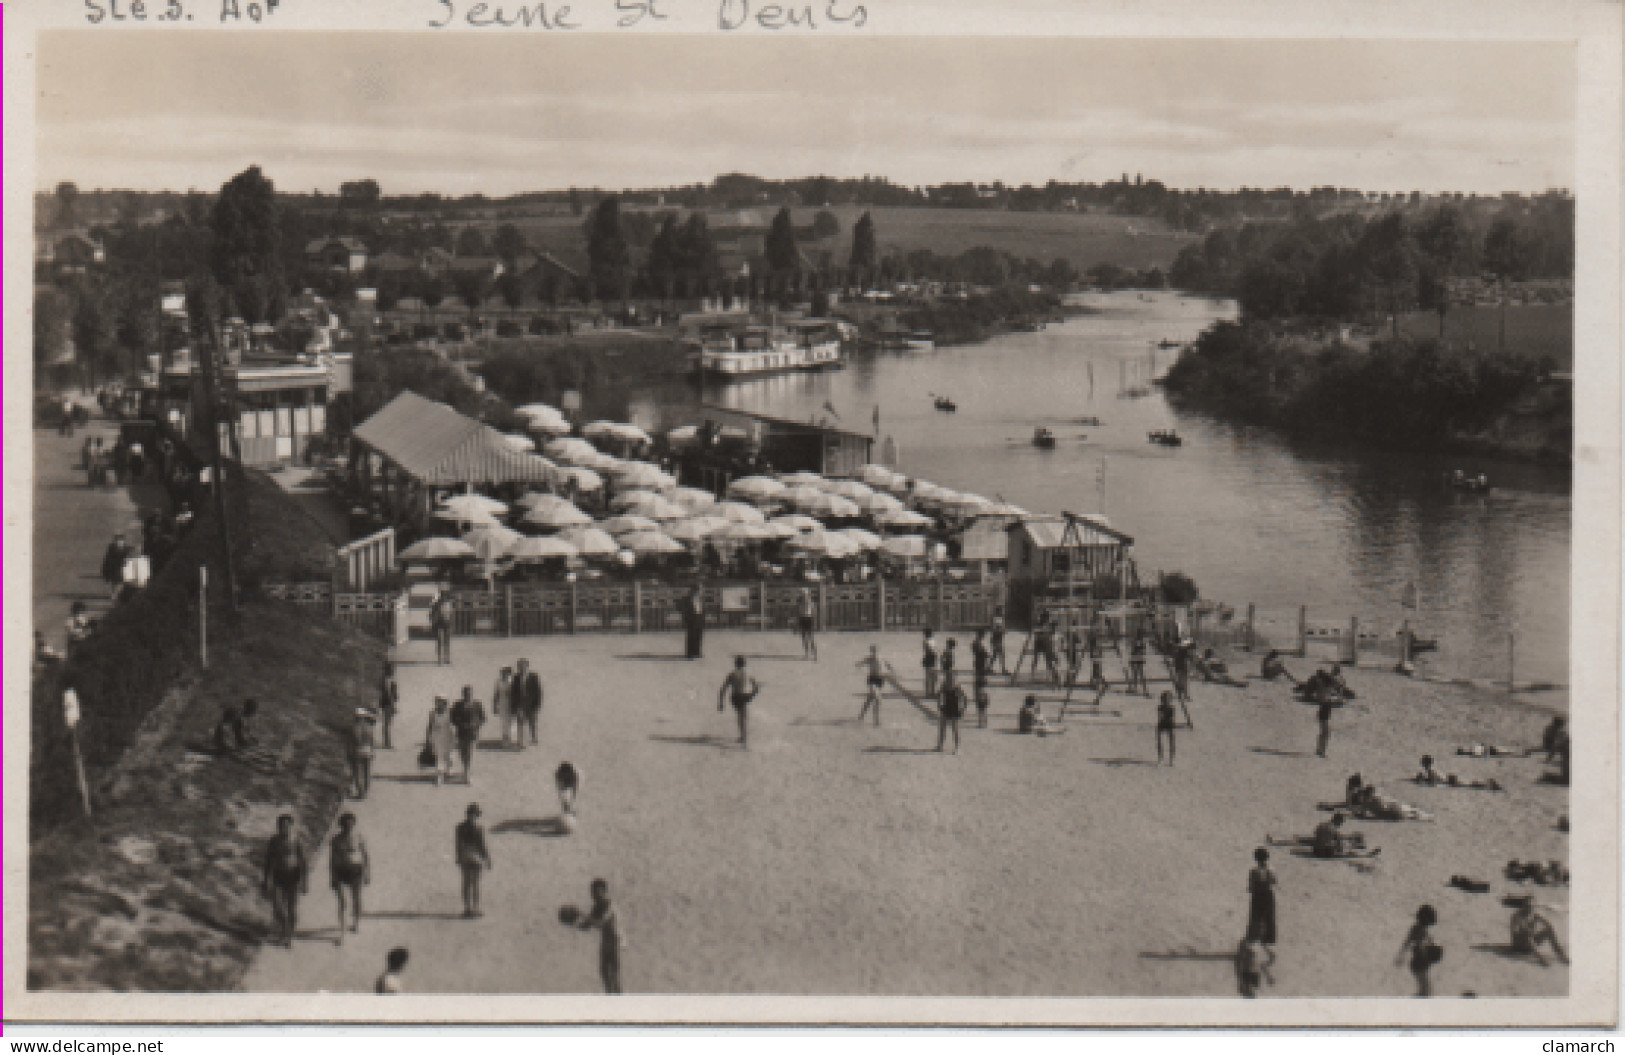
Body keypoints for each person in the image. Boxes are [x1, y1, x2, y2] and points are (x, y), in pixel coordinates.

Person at [262, 814, 308, 947]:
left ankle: (289, 935)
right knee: (277, 907)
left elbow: (304, 862)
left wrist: (305, 882)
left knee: (292, 908)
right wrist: (266, 880)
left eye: (287, 826)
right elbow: (268, 861)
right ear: (278, 827)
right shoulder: (274, 841)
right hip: (278, 876)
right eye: (282, 826)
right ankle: (284, 928)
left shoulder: (297, 840)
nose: (285, 829)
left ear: (292, 826)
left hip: (294, 876)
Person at [576, 878, 625, 994]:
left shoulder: (610, 906)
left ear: (603, 891)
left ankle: (621, 1002)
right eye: (592, 893)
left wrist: (582, 915)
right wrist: (574, 921)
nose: (594, 896)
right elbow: (586, 926)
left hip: (615, 941)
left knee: (613, 974)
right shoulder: (597, 907)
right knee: (604, 973)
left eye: (596, 893)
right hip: (606, 942)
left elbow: (600, 923)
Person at [329, 812, 370, 941]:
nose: (348, 827)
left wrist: (367, 872)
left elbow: (365, 856)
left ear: (354, 824)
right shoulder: (336, 839)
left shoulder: (359, 837)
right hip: (341, 870)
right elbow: (332, 858)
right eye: (345, 825)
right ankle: (342, 928)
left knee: (356, 898)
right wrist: (333, 876)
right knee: (342, 900)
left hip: (356, 870)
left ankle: (356, 923)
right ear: (341, 825)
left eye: (350, 824)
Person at [455, 804, 492, 918]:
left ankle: (469, 908)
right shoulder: (478, 828)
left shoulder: (460, 827)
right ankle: (473, 908)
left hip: (467, 857)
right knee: (473, 883)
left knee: (468, 883)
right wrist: (487, 859)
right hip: (474, 858)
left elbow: (459, 845)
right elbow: (482, 846)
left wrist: (459, 857)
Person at [1396, 905, 1442, 997]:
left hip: (1420, 963)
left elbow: (1409, 943)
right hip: (1419, 963)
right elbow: (1411, 943)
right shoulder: (1418, 930)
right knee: (1426, 990)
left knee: (1426, 989)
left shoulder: (1420, 929)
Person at [1509, 896, 1568, 966]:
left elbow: (1547, 924)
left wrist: (1547, 927)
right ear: (1524, 906)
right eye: (1528, 906)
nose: (1530, 908)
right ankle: (1541, 959)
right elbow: (1515, 932)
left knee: (1548, 930)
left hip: (1530, 943)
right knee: (1527, 935)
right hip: (1519, 945)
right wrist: (1524, 929)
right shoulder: (1517, 916)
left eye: (1532, 906)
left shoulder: (1534, 915)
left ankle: (1561, 955)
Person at [718, 656, 760, 748]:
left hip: (736, 696)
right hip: (745, 696)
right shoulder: (748, 673)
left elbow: (723, 689)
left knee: (740, 716)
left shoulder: (732, 674)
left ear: (736, 664)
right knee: (744, 716)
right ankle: (744, 738)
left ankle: (742, 736)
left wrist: (721, 703)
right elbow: (756, 686)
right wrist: (752, 695)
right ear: (745, 664)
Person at [450, 686, 486, 785]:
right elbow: (452, 718)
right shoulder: (457, 705)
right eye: (466, 694)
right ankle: (466, 770)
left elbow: (482, 718)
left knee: (470, 753)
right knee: (462, 753)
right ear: (463, 694)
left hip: (473, 733)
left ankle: (467, 774)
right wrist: (460, 723)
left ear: (472, 694)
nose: (467, 695)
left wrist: (475, 725)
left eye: (469, 693)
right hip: (461, 733)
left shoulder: (477, 704)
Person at [1247, 848, 1278, 946]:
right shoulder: (1270, 870)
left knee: (1256, 915)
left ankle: (1255, 935)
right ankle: (1269, 937)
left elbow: (1251, 885)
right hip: (1268, 894)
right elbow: (1274, 881)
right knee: (1269, 915)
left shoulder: (1254, 871)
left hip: (1257, 894)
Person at [425, 697, 455, 786]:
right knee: (439, 757)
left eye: (442, 702)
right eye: (438, 702)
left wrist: (454, 737)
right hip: (437, 737)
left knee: (449, 755)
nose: (439, 704)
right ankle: (439, 776)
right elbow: (429, 726)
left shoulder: (450, 712)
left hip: (448, 736)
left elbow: (453, 725)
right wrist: (428, 738)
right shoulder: (433, 713)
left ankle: (448, 771)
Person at [347, 708, 377, 799]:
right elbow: (372, 741)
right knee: (367, 772)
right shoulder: (369, 728)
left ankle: (361, 792)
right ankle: (365, 791)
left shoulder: (355, 728)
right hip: (368, 751)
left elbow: (355, 740)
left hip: (358, 751)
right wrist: (372, 751)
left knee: (358, 772)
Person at [514, 658, 543, 748]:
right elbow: (514, 692)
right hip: (521, 704)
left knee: (532, 721)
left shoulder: (533, 676)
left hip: (531, 704)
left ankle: (534, 737)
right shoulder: (516, 677)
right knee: (521, 722)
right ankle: (521, 741)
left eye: (523, 667)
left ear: (527, 667)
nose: (521, 669)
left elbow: (538, 691)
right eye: (520, 667)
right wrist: (515, 706)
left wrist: (537, 704)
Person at [936, 669, 964, 754]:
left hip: (954, 708)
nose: (950, 679)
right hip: (946, 707)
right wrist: (939, 704)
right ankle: (940, 745)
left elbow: (962, 698)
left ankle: (957, 747)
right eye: (948, 678)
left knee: (955, 729)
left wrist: (961, 708)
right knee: (942, 727)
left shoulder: (957, 687)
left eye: (952, 678)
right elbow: (939, 694)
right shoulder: (944, 686)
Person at [856, 645, 886, 725]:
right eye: (873, 651)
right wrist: (861, 669)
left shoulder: (882, 659)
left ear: (879, 651)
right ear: (871, 652)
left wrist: (892, 672)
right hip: (872, 679)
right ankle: (876, 720)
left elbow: (889, 667)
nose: (875, 653)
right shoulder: (869, 659)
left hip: (880, 680)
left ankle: (861, 716)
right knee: (877, 698)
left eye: (876, 651)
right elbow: (859, 664)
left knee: (870, 699)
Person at [378, 661, 400, 750]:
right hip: (388, 703)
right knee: (387, 723)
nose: (393, 670)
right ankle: (387, 743)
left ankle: (387, 742)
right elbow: (388, 693)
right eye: (392, 669)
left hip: (387, 703)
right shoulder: (388, 680)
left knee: (387, 723)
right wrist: (392, 704)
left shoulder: (387, 679)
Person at [101, 533, 130, 600]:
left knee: (120, 583)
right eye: (117, 541)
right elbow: (107, 560)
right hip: (114, 569)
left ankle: (116, 594)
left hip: (123, 568)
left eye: (121, 541)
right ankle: (114, 594)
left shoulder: (127, 550)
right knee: (115, 583)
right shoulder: (111, 550)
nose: (119, 542)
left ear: (123, 541)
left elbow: (129, 559)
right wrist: (105, 571)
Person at [681, 586, 706, 660]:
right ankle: (689, 653)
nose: (700, 593)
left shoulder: (700, 600)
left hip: (699, 619)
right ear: (694, 591)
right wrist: (686, 619)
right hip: (691, 620)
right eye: (699, 591)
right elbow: (684, 610)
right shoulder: (687, 599)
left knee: (698, 636)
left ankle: (697, 652)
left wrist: (702, 619)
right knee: (691, 636)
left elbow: (702, 610)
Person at [492, 665, 515, 745]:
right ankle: (505, 738)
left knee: (511, 721)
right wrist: (495, 706)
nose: (504, 675)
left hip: (511, 703)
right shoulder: (498, 682)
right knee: (504, 721)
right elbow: (496, 694)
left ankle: (511, 738)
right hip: (502, 703)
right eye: (503, 673)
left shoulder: (512, 681)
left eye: (506, 673)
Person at [1156, 691, 1178, 766]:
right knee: (1159, 740)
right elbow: (1159, 718)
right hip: (1162, 724)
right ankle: (1160, 757)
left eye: (1168, 700)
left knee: (1171, 741)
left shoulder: (1171, 709)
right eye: (1165, 700)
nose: (1166, 701)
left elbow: (1172, 719)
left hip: (1169, 724)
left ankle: (1171, 759)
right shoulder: (1160, 708)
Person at [431, 591, 453, 665]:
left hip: (446, 623)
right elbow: (433, 613)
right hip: (440, 623)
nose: (444, 598)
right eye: (443, 596)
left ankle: (446, 658)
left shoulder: (448, 604)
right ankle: (440, 658)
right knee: (440, 640)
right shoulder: (437, 604)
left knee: (446, 641)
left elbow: (451, 613)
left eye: (445, 596)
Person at [797, 588, 818, 661]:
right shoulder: (810, 601)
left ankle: (809, 653)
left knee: (807, 637)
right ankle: (811, 653)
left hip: (806, 618)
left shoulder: (803, 602)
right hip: (807, 618)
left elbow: (800, 611)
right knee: (808, 636)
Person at [989, 610, 1009, 675]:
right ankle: (1002, 668)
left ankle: (990, 667)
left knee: (997, 654)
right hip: (996, 639)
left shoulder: (998, 619)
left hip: (998, 639)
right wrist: (1001, 630)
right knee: (999, 654)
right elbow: (996, 630)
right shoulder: (996, 619)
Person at [921, 629, 939, 700]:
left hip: (931, 659)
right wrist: (935, 653)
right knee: (929, 677)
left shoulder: (931, 641)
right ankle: (929, 693)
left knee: (933, 677)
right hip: (930, 659)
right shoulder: (927, 641)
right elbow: (930, 650)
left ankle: (931, 692)